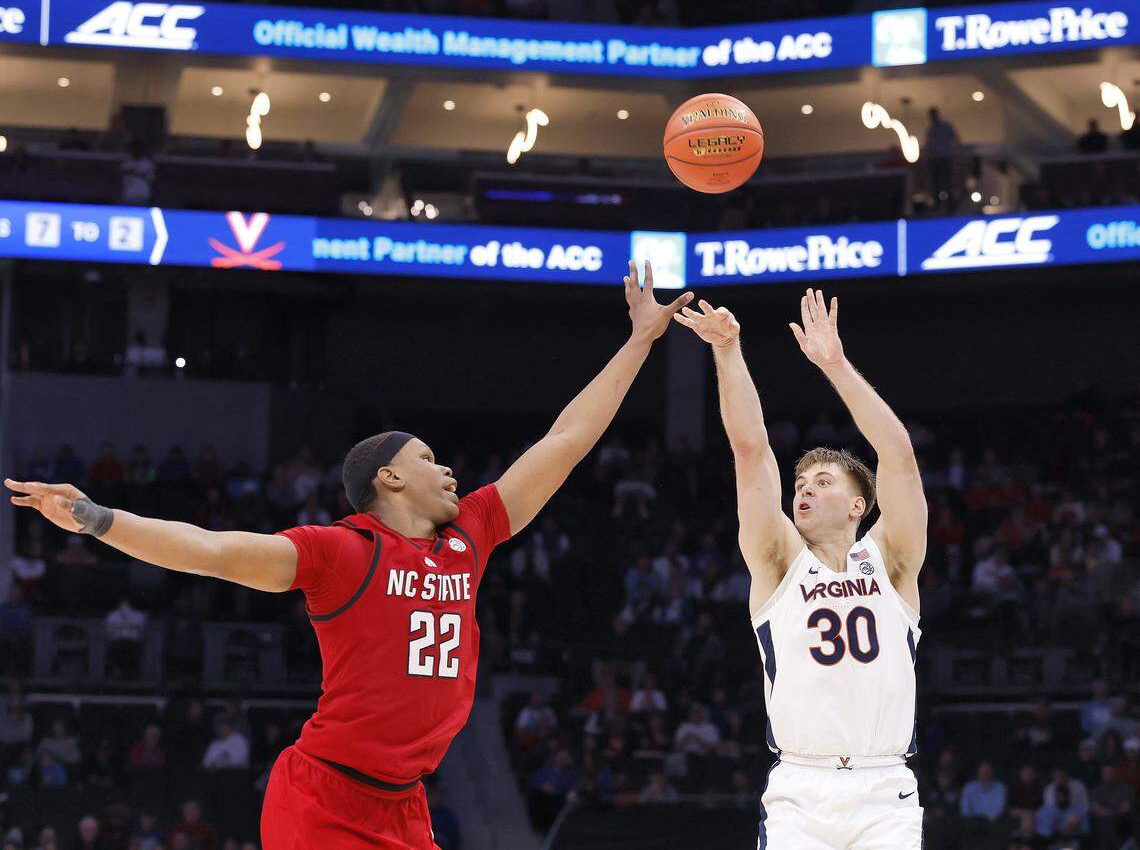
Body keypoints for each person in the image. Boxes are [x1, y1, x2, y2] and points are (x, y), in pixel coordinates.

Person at [5, 262, 692, 850]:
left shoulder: (471, 534)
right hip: (325, 796)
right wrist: (97, 517)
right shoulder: (341, 550)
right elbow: (211, 551)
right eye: (427, 457)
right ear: (387, 478)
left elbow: (567, 439)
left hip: (404, 800)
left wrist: (639, 340)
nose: (449, 469)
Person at [674, 288, 927, 849]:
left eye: (823, 483)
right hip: (800, 792)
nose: (805, 492)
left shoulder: (892, 559)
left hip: (885, 790)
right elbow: (750, 450)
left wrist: (834, 365)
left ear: (860, 505)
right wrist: (728, 350)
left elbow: (899, 455)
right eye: (801, 485)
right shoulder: (779, 563)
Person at [925, 108, 960, 211]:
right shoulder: (930, 130)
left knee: (948, 183)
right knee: (936, 184)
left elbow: (955, 140)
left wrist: (955, 154)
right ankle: (938, 205)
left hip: (945, 159)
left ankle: (950, 206)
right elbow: (929, 146)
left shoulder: (946, 127)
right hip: (935, 160)